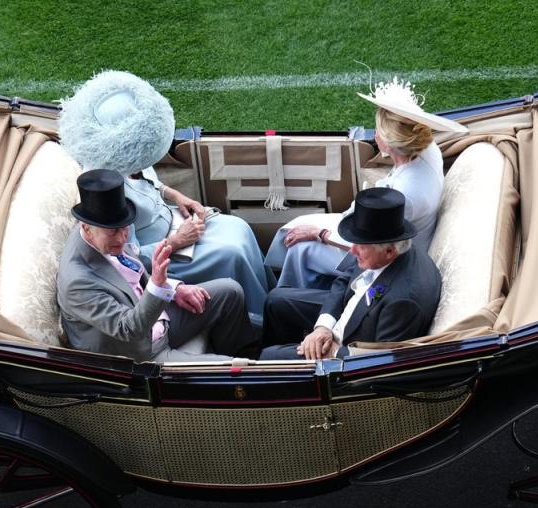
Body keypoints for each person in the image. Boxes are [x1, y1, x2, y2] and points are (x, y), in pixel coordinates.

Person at [59, 70, 273, 318]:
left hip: (177, 223)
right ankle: (257, 317)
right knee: (233, 252)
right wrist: (177, 241)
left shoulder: (130, 156)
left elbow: (146, 179)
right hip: (169, 252)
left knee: (239, 228)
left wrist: (175, 196)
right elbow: (128, 256)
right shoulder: (108, 191)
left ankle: (269, 295)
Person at [264, 77, 467, 290]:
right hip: (373, 229)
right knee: (297, 225)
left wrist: (319, 234)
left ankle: (286, 302)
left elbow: (370, 248)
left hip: (387, 261)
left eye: (378, 130)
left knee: (301, 247)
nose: (375, 134)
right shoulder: (426, 149)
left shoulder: (404, 196)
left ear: (389, 143)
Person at [58, 169, 258, 363]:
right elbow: (129, 329)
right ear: (86, 228)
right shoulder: (78, 282)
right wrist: (157, 286)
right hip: (139, 354)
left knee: (231, 292)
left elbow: (133, 270)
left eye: (124, 228)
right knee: (230, 369)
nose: (122, 238)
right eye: (113, 232)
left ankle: (254, 359)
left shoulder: (101, 231)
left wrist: (175, 289)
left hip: (157, 318)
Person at [261, 187, 441, 360]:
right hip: (348, 311)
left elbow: (383, 360)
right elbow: (344, 280)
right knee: (276, 300)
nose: (352, 251)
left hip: (347, 350)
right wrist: (323, 327)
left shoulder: (403, 303)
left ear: (389, 251)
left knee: (268, 357)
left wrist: (335, 352)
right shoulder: (387, 243)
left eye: (360, 246)